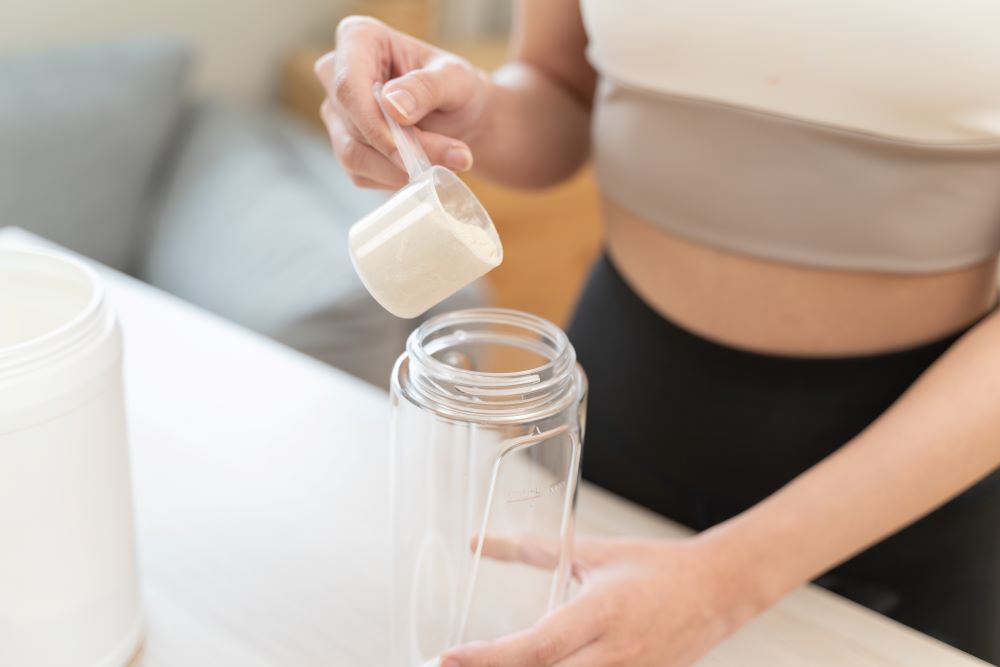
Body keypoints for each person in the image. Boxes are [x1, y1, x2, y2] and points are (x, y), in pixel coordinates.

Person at [314, 2, 1000, 665]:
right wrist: (472, 114)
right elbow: (560, 84)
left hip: (910, 475)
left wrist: (721, 585)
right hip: (623, 399)